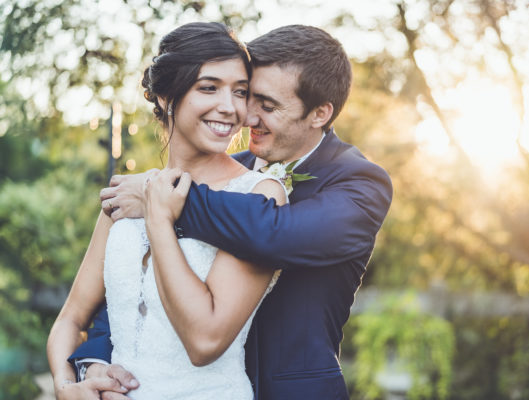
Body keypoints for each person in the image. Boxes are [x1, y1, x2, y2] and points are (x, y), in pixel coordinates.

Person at [71, 25, 393, 400]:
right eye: (248, 96)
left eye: (268, 106)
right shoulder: (217, 168)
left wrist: (161, 200)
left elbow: (274, 232)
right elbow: (142, 285)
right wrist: (95, 359)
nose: (246, 117)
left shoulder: (360, 184)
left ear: (320, 113)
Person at [46, 22, 288, 399]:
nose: (230, 108)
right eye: (209, 87)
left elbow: (205, 342)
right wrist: (67, 387)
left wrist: (158, 218)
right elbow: (71, 319)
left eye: (240, 92)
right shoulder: (129, 193)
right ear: (164, 96)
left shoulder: (257, 195)